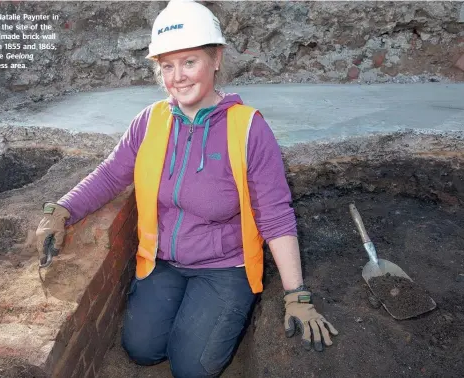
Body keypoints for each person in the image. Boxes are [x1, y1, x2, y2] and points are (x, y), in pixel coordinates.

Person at [36, 1, 338, 377]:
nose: (178, 77)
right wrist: (62, 210)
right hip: (164, 261)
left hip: (225, 266)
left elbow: (275, 215)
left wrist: (296, 294)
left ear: (216, 59)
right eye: (167, 65)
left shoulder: (248, 130)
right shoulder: (150, 121)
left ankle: (222, 318)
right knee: (142, 350)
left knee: (191, 368)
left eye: (189, 62)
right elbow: (112, 174)